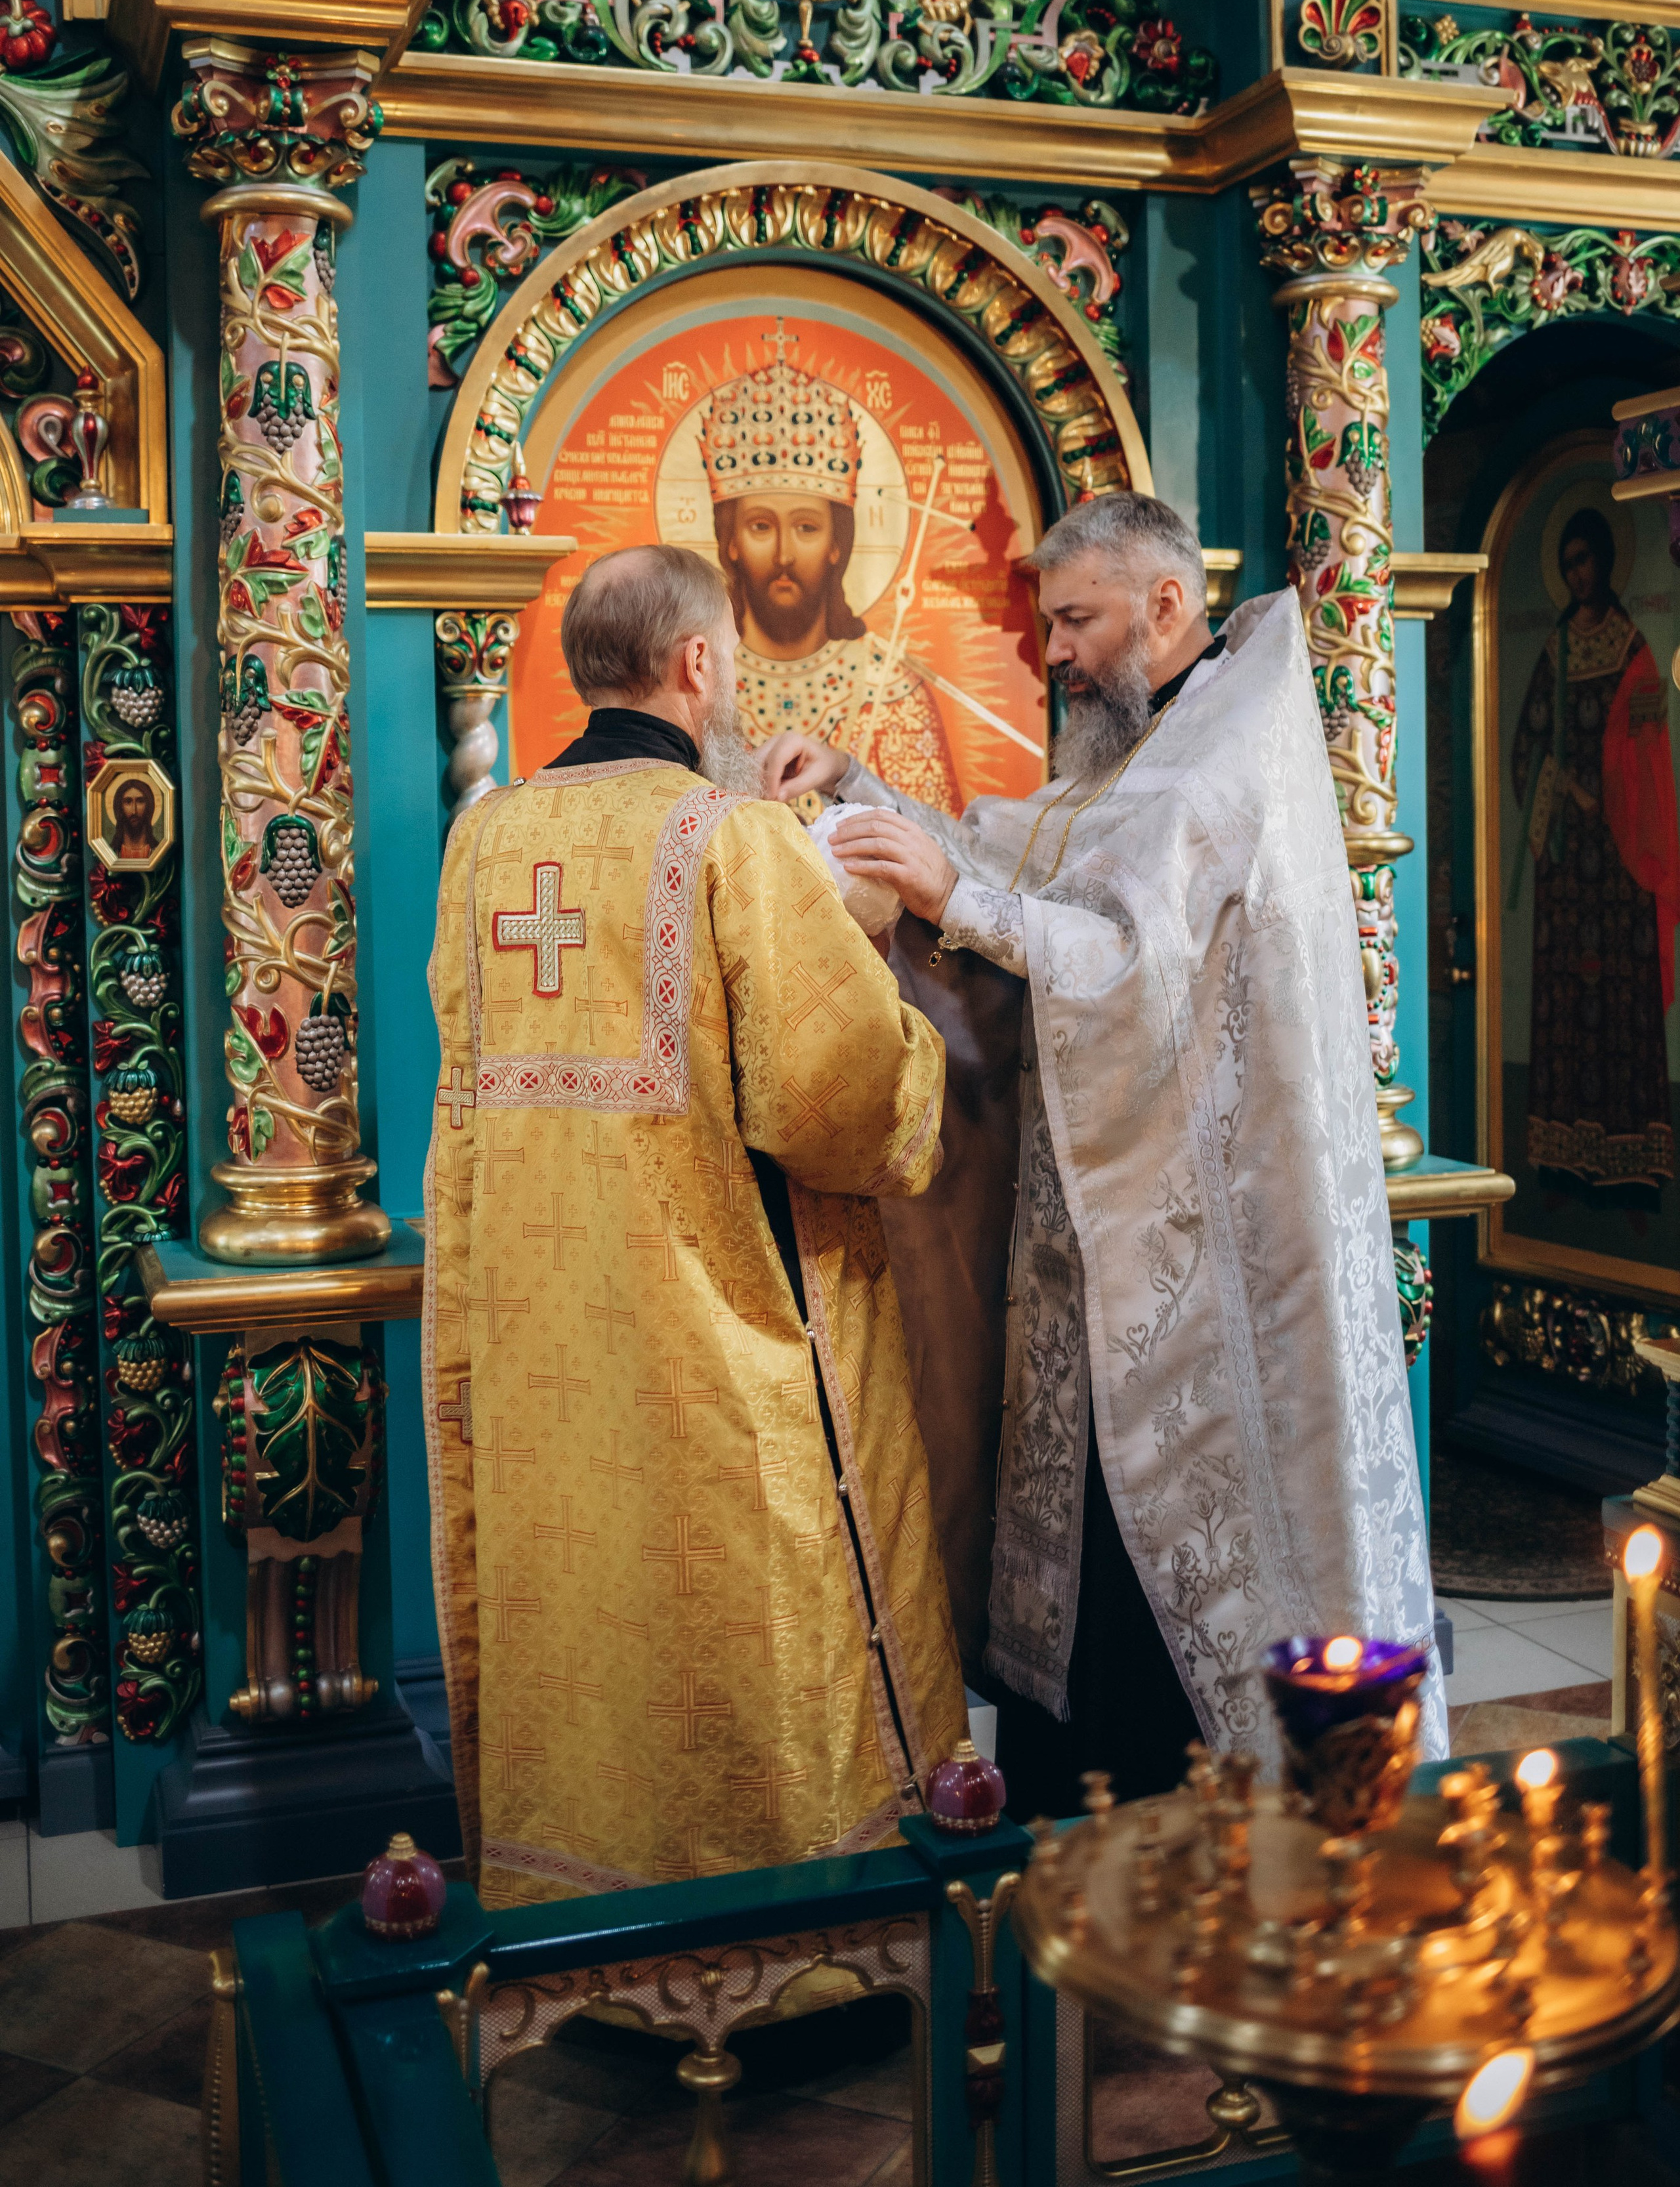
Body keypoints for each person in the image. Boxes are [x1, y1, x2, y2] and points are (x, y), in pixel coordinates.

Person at [765, 490, 1441, 1814]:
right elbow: (1024, 855)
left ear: (1165, 605)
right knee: (1078, 1536)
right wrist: (860, 789)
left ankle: (1195, 1819)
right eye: (1049, 624)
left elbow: (1122, 958)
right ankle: (1080, 1826)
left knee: (1165, 1546)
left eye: (1074, 621)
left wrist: (947, 893)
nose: (1055, 653)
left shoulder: (1217, 762)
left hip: (1201, 1255)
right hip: (1095, 1241)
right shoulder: (1139, 759)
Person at [425, 541, 966, 1903]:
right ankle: (780, 1931)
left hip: (546, 1350)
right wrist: (900, 1007)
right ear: (697, 664)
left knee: (585, 1623)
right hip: (725, 1340)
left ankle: (576, 1909)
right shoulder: (722, 837)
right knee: (751, 1618)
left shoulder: (485, 835)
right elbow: (832, 1101)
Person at [699, 331, 961, 811]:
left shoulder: (891, 691)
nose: (784, 554)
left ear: (838, 542)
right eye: (760, 526)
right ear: (729, 541)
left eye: (806, 527)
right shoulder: (699, 691)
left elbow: (936, 858)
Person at [1510, 503, 1680, 1193]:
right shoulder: (1555, 648)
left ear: (1606, 562)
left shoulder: (1633, 646)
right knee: (1565, 997)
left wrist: (1607, 792)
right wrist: (1563, 792)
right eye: (1568, 563)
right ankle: (1561, 1157)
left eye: (1587, 560)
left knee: (1621, 998)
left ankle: (1633, 1161)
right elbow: (1525, 747)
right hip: (1564, 861)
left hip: (1619, 860)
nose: (1579, 574)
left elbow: (1649, 748)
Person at [112, 775, 158, 863]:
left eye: (140, 801)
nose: (134, 811)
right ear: (119, 808)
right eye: (128, 802)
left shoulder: (159, 852)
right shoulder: (111, 854)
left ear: (149, 806)